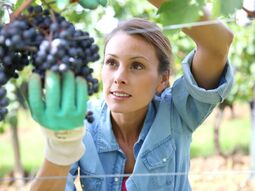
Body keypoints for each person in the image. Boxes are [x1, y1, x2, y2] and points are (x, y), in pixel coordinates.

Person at [28, 0, 234, 190]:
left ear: (163, 79)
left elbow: (218, 44)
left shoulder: (177, 112)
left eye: (136, 65)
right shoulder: (82, 123)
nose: (119, 77)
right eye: (111, 62)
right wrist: (60, 148)